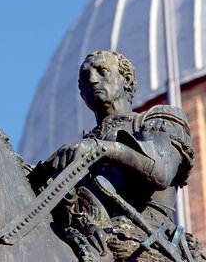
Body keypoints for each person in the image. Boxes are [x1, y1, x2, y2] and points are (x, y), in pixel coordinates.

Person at [29, 50, 204, 261]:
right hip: (90, 241)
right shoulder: (77, 149)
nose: (92, 80)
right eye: (85, 77)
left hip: (144, 245)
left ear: (127, 80)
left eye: (102, 71)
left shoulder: (156, 121)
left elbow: (161, 171)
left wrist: (100, 148)